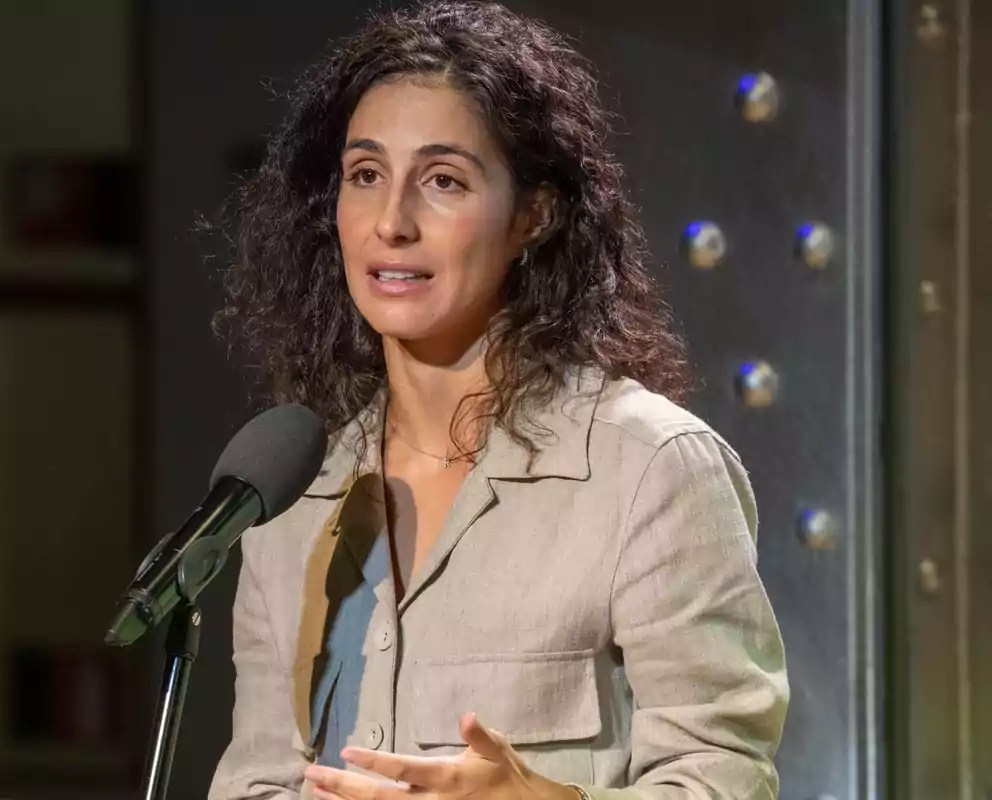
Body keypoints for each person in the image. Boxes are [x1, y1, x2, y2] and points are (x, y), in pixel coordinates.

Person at [208, 2, 789, 798]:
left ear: (532, 216)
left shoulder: (649, 471)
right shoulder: (289, 502)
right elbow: (255, 779)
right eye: (365, 175)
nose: (392, 222)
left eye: (442, 180)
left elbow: (724, 779)